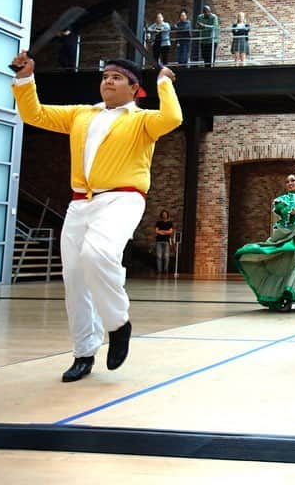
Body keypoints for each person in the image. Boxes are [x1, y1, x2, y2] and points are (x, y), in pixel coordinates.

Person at [10, 51, 182, 382]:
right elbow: (34, 115)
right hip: (80, 204)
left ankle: (118, 324)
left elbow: (172, 118)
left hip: (123, 198)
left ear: (135, 89)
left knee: (98, 254)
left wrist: (164, 82)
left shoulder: (143, 120)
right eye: (105, 77)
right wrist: (25, 78)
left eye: (116, 78)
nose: (107, 81)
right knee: (74, 279)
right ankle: (83, 353)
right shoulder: (81, 115)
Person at [234, 170, 295, 310]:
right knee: (291, 265)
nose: (289, 183)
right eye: (287, 182)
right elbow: (285, 210)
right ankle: (286, 295)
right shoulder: (283, 199)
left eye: (292, 181)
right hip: (289, 235)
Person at [154, 209, 175, 275]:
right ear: (161, 215)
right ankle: (159, 270)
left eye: (165, 214)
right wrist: (165, 232)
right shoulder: (158, 223)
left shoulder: (170, 223)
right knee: (159, 256)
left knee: (166, 256)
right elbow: (156, 231)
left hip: (166, 241)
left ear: (167, 215)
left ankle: (166, 270)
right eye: (163, 214)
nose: (164, 215)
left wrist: (162, 232)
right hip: (159, 241)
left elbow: (170, 231)